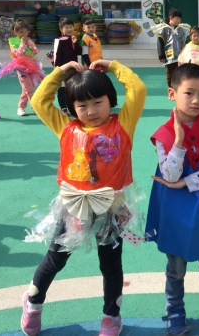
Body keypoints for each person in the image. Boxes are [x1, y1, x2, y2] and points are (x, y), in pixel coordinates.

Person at [21, 58, 147, 336]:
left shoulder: (123, 124)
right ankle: (33, 303)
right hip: (73, 208)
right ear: (72, 107)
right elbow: (39, 101)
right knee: (56, 258)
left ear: (110, 99)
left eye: (98, 102)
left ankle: (111, 317)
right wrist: (59, 73)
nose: (90, 111)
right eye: (82, 105)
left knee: (110, 265)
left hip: (111, 207)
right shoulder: (65, 127)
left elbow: (137, 89)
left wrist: (114, 66)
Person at [145, 63, 199, 336]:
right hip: (175, 211)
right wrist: (179, 141)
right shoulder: (165, 133)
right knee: (176, 268)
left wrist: (186, 182)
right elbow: (169, 173)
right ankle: (175, 311)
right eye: (189, 93)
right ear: (172, 93)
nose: (196, 100)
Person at [0, 20, 45, 116]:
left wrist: (30, 44)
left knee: (26, 88)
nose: (24, 34)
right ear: (16, 32)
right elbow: (18, 53)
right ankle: (35, 107)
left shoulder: (29, 40)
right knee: (29, 88)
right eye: (21, 32)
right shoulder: (13, 41)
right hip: (21, 67)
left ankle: (21, 107)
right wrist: (23, 43)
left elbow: (35, 52)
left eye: (26, 32)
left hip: (32, 66)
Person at [156, 9, 190, 87]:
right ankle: (171, 89)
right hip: (169, 57)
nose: (179, 20)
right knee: (170, 74)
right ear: (171, 18)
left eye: (180, 19)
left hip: (180, 57)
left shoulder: (181, 29)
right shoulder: (164, 29)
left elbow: (184, 42)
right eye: (177, 18)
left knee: (180, 75)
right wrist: (161, 55)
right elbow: (160, 42)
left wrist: (187, 54)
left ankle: (179, 90)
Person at [53, 17, 81, 114]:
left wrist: (76, 43)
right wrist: (58, 69)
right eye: (66, 27)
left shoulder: (74, 39)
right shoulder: (58, 40)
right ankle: (63, 107)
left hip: (73, 69)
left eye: (71, 27)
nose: (69, 29)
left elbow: (79, 52)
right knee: (62, 88)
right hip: (63, 68)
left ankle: (73, 106)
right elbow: (56, 55)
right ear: (61, 29)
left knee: (73, 87)